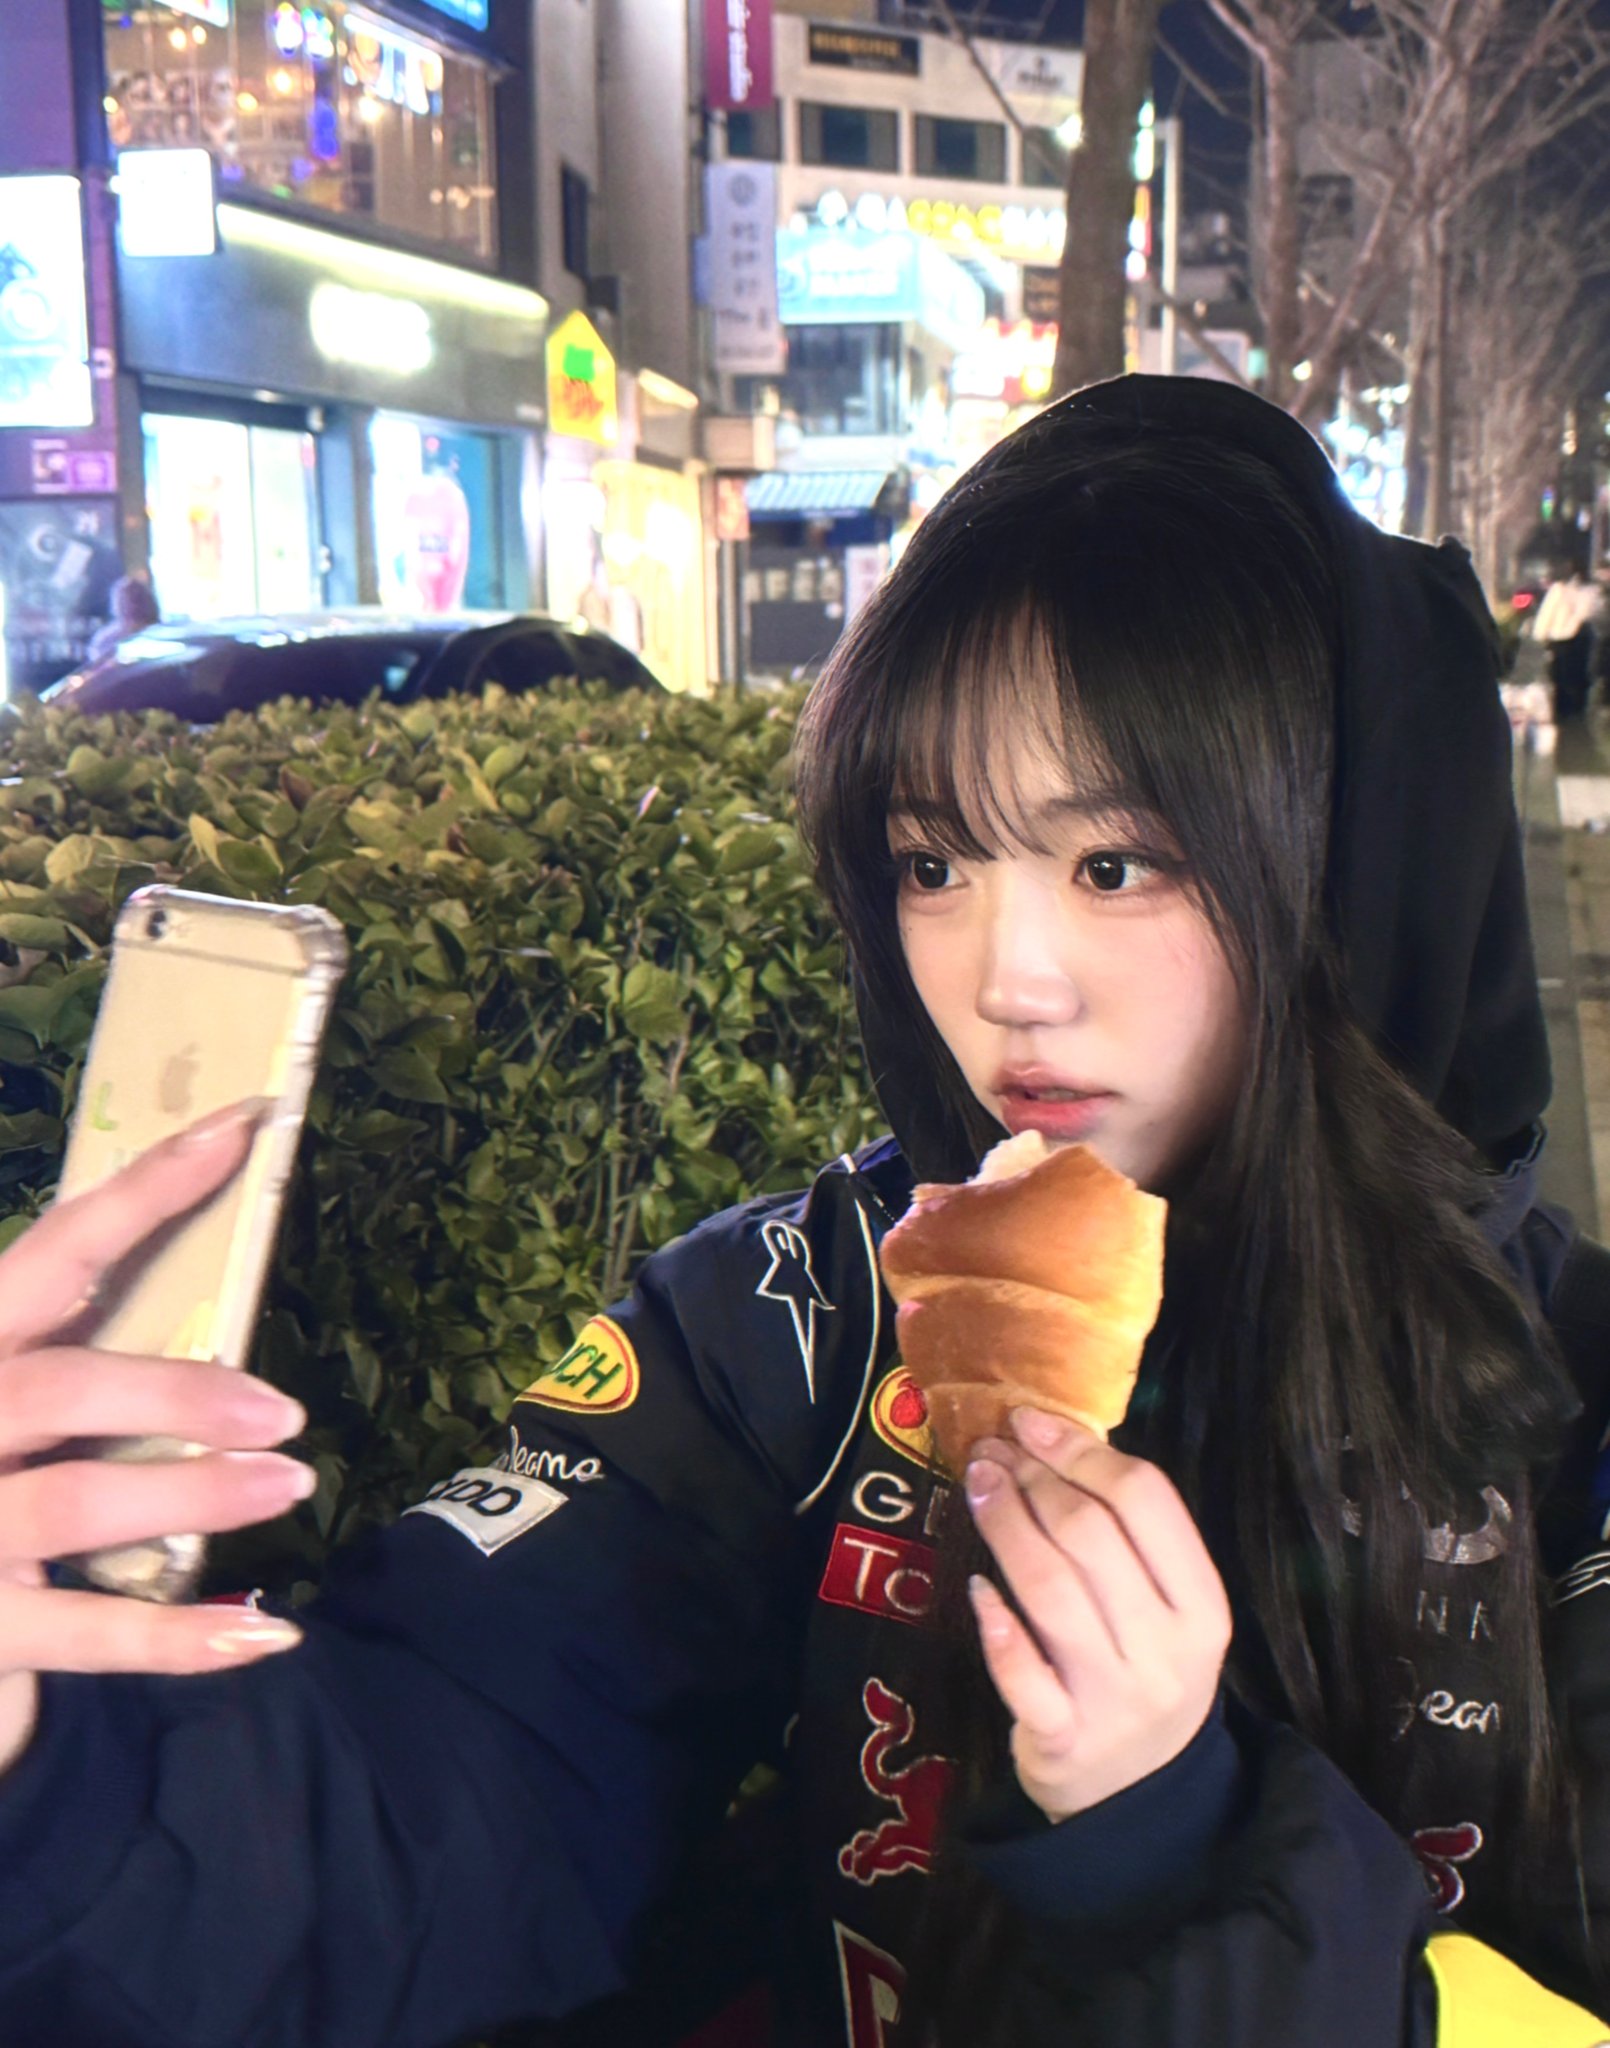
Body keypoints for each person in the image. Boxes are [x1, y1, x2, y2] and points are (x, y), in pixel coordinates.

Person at [1, 376, 1608, 2048]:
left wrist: (1174, 1850)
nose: (1008, 980)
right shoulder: (796, 1323)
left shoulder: (1570, 1408)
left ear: (1346, 865)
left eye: (1114, 865)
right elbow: (446, 1789)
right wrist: (41, 1764)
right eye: (934, 863)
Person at [1532, 560, 1601, 719]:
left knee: (1575, 676)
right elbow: (1548, 613)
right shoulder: (1562, 589)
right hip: (1565, 638)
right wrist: (1542, 634)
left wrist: (1541, 634)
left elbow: (1548, 613)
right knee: (1565, 676)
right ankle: (1567, 709)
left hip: (1576, 638)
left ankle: (1573, 709)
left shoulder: (1588, 591)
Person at [84, 573, 160, 665]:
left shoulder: (161, 635)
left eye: (136, 599)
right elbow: (100, 668)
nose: (132, 606)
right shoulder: (105, 641)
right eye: (124, 602)